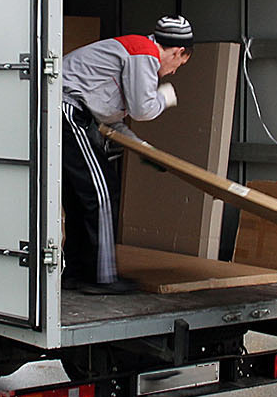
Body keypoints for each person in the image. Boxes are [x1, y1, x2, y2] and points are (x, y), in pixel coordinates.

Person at [59, 15, 193, 294]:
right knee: (101, 193)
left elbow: (111, 119)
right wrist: (166, 97)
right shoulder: (143, 52)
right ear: (177, 51)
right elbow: (143, 110)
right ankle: (101, 278)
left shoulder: (130, 53)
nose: (172, 72)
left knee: (81, 196)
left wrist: (142, 149)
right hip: (68, 109)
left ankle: (77, 274)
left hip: (71, 111)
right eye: (178, 65)